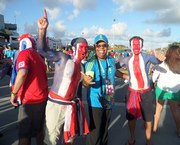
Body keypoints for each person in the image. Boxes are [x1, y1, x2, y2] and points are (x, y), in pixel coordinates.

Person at [37, 9, 89, 145]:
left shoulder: (82, 67)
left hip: (71, 107)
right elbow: (42, 50)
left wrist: (87, 83)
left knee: (69, 139)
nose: (84, 50)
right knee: (51, 140)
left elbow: (80, 85)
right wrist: (42, 31)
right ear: (75, 48)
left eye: (86, 48)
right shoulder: (63, 58)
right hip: (56, 105)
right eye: (82, 47)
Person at [117, 36, 165, 145]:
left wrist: (161, 59)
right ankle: (132, 138)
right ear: (130, 46)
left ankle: (148, 141)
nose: (136, 47)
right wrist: (123, 75)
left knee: (148, 117)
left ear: (142, 46)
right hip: (132, 92)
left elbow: (159, 62)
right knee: (131, 117)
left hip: (146, 93)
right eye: (134, 45)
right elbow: (112, 67)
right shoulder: (126, 59)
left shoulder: (148, 57)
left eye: (138, 44)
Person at [83, 34, 129, 145]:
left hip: (109, 98)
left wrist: (126, 76)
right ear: (95, 47)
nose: (101, 48)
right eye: (98, 45)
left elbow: (115, 72)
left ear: (107, 46)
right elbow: (87, 80)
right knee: (96, 131)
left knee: (105, 128)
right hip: (96, 99)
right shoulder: (91, 62)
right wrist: (86, 82)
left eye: (104, 45)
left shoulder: (111, 60)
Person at [9, 33, 48, 145]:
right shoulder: (38, 56)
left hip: (29, 100)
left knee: (24, 133)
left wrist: (13, 93)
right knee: (39, 129)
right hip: (41, 99)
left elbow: (22, 73)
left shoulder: (25, 53)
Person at [152, 45, 180, 138]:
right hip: (174, 90)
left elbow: (153, 77)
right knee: (175, 111)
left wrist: (154, 82)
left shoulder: (162, 63)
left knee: (158, 109)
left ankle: (155, 128)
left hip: (161, 89)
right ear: (178, 53)